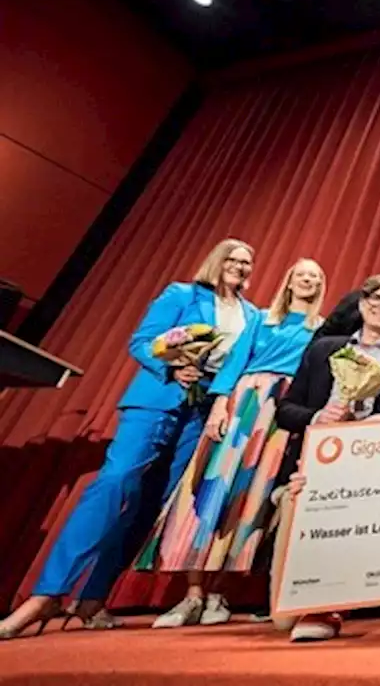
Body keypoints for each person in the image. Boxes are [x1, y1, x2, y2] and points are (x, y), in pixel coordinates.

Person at [0, 239, 261, 640]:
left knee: (151, 505)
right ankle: (46, 595)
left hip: (200, 413)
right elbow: (142, 341)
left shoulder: (252, 315)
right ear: (216, 260)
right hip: (157, 399)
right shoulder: (183, 294)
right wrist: (172, 368)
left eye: (247, 262)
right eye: (233, 258)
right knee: (116, 482)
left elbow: (239, 365)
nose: (240, 267)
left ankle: (93, 598)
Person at [140, 258, 327, 628]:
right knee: (210, 493)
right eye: (302, 274)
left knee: (251, 500)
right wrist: (219, 406)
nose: (308, 280)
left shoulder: (320, 329)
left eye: (316, 277)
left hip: (281, 413)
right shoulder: (260, 319)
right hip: (244, 405)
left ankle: (218, 594)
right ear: (289, 281)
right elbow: (234, 363)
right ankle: (191, 595)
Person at [270, 274, 380, 643]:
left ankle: (325, 605)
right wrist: (317, 417)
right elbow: (286, 410)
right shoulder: (324, 349)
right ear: (362, 302)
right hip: (315, 462)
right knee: (281, 621)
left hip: (376, 466)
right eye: (377, 297)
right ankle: (298, 593)